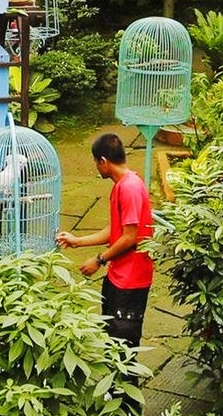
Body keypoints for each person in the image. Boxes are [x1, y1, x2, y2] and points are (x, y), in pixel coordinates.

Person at [56, 132, 154, 351]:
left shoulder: (129, 188)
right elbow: (117, 229)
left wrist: (98, 260)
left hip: (131, 280)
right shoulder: (125, 184)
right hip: (119, 275)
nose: (95, 167)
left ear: (103, 161)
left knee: (123, 346)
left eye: (95, 162)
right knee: (111, 338)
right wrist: (77, 241)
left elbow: (130, 237)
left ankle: (122, 386)